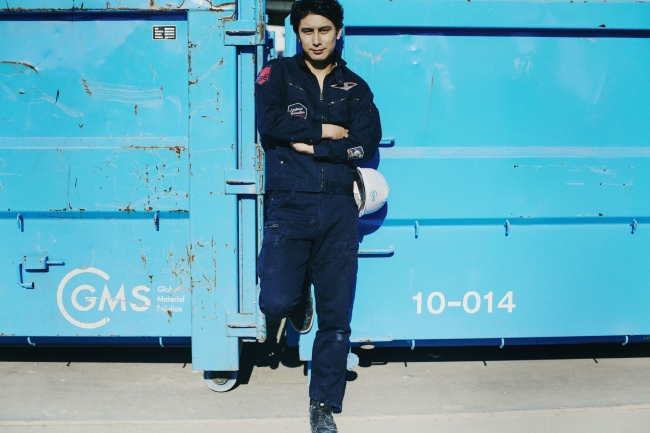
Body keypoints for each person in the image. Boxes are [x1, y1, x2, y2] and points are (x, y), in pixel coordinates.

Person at [255, 0, 382, 431]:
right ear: (297, 33)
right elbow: (270, 122)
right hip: (289, 203)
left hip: (339, 207)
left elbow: (366, 141)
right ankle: (298, 299)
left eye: (324, 30)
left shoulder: (355, 86)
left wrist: (318, 149)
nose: (316, 40)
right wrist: (323, 130)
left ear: (338, 31)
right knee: (275, 300)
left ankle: (323, 404)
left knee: (336, 319)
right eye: (307, 31)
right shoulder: (277, 74)